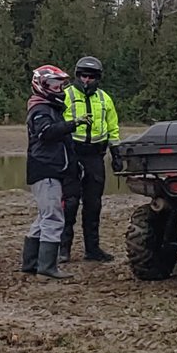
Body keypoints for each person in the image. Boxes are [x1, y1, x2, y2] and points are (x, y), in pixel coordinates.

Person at [21, 64, 91, 279]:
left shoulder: (49, 108)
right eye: (53, 84)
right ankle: (47, 268)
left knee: (44, 217)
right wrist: (73, 124)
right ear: (41, 85)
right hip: (45, 170)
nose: (59, 88)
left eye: (61, 84)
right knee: (53, 218)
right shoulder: (40, 110)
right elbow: (46, 133)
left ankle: (31, 263)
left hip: (50, 170)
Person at [59, 55, 121, 263]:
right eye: (83, 75)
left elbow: (113, 127)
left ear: (98, 78)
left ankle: (92, 249)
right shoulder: (65, 96)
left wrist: (116, 152)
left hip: (95, 155)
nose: (86, 80)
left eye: (91, 76)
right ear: (77, 75)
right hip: (72, 154)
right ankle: (63, 249)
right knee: (70, 203)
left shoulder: (105, 99)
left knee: (94, 204)